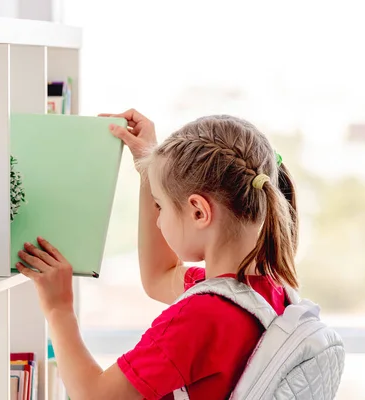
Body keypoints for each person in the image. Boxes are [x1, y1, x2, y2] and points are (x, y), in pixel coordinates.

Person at [16, 109, 299, 400]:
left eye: (160, 206)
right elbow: (159, 276)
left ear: (199, 211)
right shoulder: (264, 293)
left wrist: (59, 310)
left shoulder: (201, 316)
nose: (158, 220)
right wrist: (147, 170)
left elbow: (95, 396)